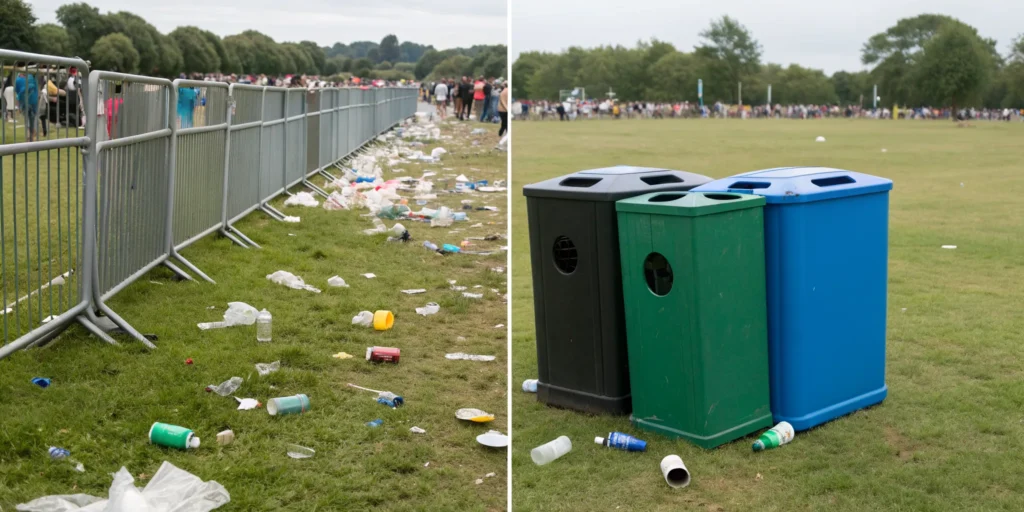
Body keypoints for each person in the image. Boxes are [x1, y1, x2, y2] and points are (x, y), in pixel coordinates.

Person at [15, 69, 40, 142]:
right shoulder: (32, 77)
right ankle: (31, 136)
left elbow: (17, 92)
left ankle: (30, 136)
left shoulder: (18, 79)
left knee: (28, 119)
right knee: (32, 119)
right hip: (32, 102)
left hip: (25, 102)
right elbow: (36, 89)